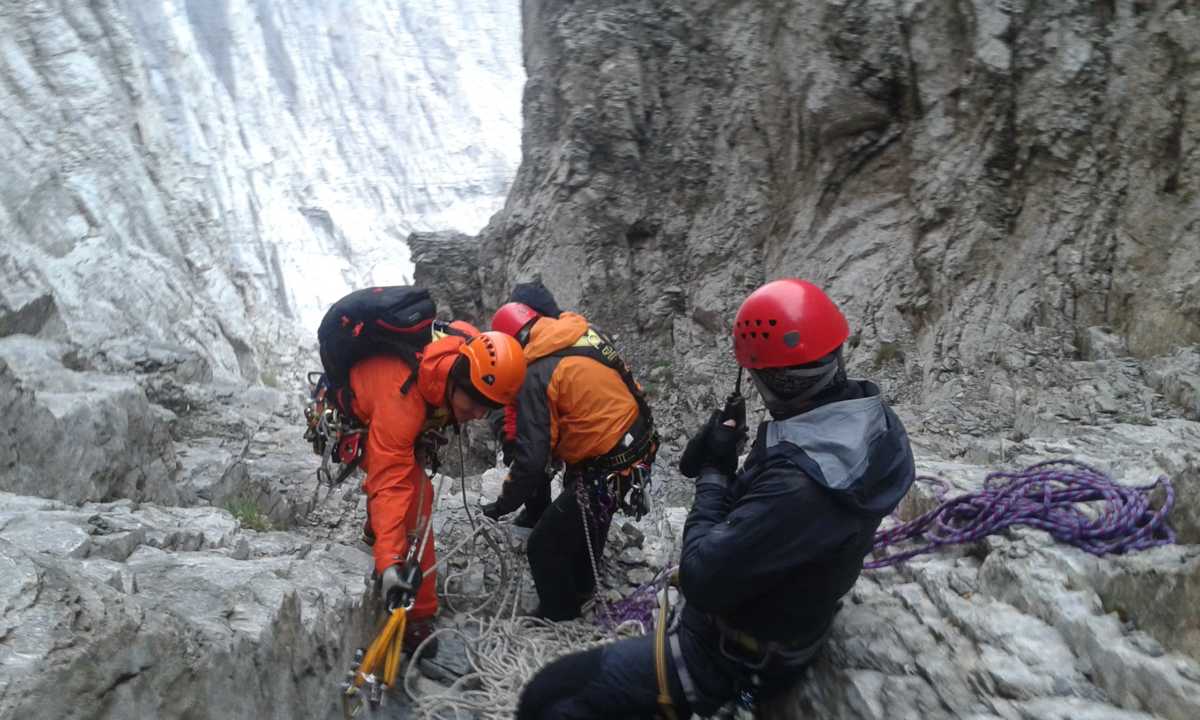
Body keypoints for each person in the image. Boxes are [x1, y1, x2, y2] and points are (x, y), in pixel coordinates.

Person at [516, 278, 915, 719]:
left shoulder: (799, 485)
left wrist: (713, 474)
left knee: (549, 697)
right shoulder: (874, 425)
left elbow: (700, 577)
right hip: (785, 622)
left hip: (725, 656)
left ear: (769, 379)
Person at [482, 301, 658, 621]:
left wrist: (502, 505)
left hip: (604, 465)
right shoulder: (579, 332)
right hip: (638, 446)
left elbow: (532, 462)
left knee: (541, 547)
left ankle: (559, 613)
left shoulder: (535, 372)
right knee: (591, 516)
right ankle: (583, 585)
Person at [354, 327, 526, 653]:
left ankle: (376, 533)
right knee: (416, 497)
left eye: (486, 408)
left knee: (412, 493)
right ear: (457, 380)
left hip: (404, 414)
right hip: (367, 410)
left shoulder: (464, 358)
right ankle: (417, 616)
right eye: (474, 403)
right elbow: (390, 482)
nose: (477, 414)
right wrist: (389, 564)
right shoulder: (401, 398)